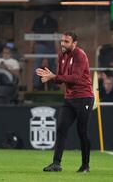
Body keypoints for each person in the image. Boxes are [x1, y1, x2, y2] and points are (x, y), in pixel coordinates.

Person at [36, 32, 94, 173]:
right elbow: (61, 78)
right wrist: (51, 77)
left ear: (74, 43)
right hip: (69, 98)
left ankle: (85, 165)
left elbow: (74, 78)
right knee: (61, 129)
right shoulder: (61, 55)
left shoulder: (80, 55)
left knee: (82, 132)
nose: (62, 44)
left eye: (66, 42)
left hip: (84, 97)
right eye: (62, 41)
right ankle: (56, 164)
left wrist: (54, 76)